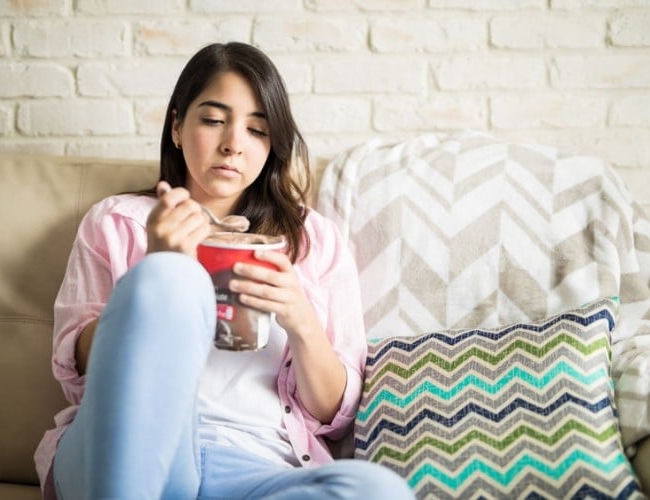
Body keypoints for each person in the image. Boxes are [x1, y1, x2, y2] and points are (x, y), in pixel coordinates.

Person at [34, 41, 415, 499]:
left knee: (378, 490)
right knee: (167, 279)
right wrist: (159, 268)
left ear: (272, 144)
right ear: (177, 126)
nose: (233, 143)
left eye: (257, 130)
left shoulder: (314, 241)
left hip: (253, 467)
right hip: (129, 451)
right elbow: (74, 374)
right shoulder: (119, 222)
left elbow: (337, 412)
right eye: (214, 120)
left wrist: (300, 319)